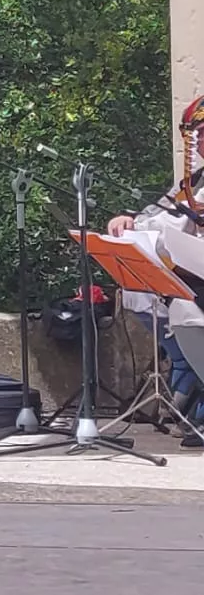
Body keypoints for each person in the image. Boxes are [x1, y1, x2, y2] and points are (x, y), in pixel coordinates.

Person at [107, 94, 204, 447]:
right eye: (199, 134)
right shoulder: (192, 182)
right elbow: (162, 215)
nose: (202, 141)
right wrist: (131, 222)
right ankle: (188, 372)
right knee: (151, 292)